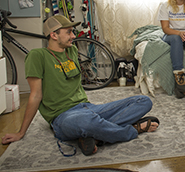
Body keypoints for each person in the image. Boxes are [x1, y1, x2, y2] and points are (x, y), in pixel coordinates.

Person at [1, 15, 160, 156]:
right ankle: (132, 130)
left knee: (143, 101)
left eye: (73, 32)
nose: (73, 36)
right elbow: (35, 95)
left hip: (88, 108)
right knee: (85, 122)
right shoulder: (37, 56)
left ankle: (94, 136)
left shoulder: (72, 51)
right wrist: (21, 132)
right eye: (68, 32)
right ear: (54, 35)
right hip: (63, 117)